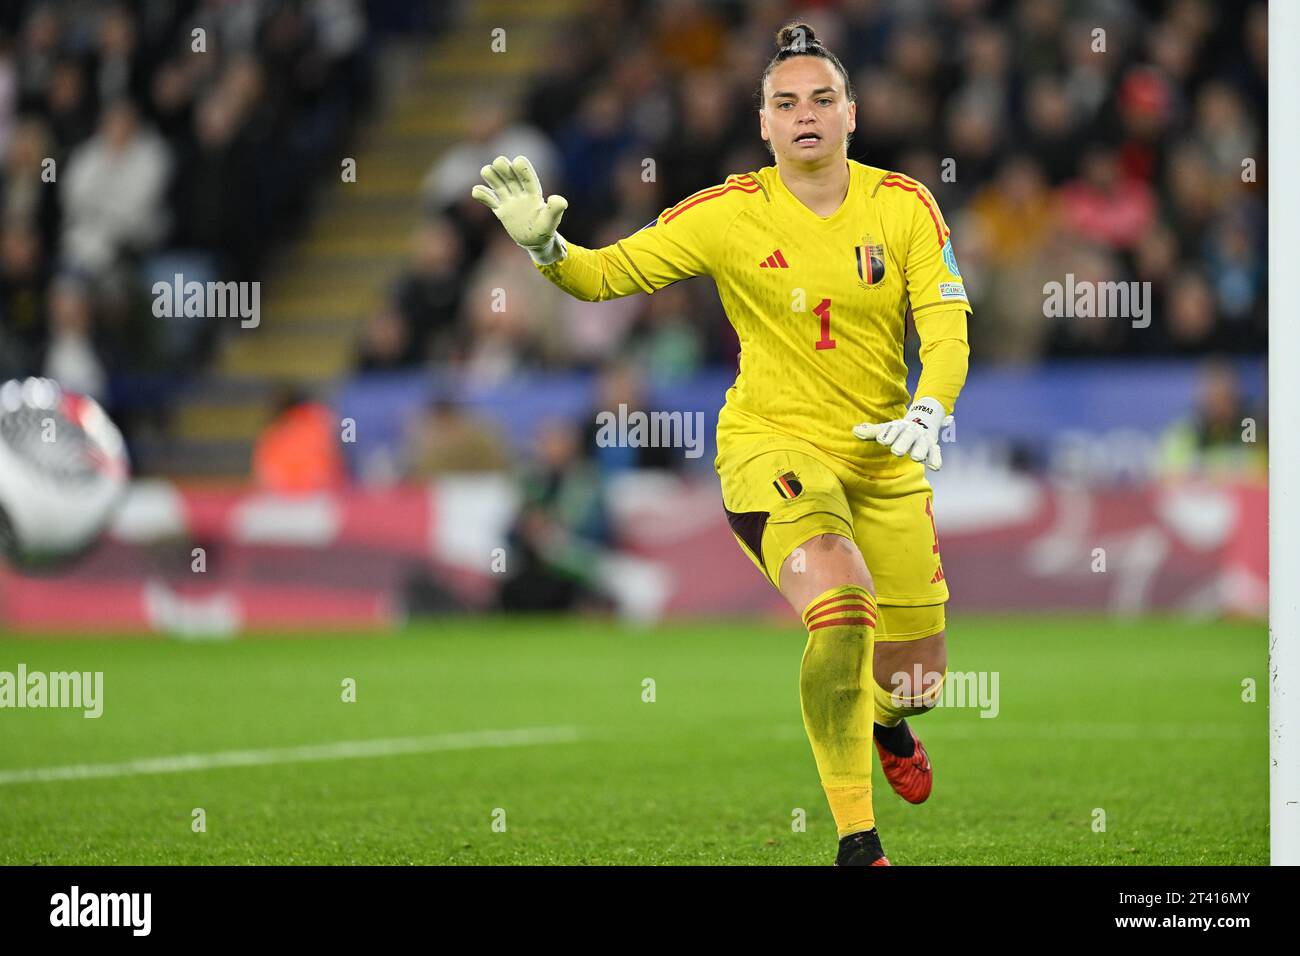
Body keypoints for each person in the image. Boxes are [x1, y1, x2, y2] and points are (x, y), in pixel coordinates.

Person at [471, 22, 971, 866]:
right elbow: (605, 277)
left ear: (852, 114)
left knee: (917, 681)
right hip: (772, 447)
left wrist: (930, 407)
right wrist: (545, 249)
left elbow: (947, 321)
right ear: (764, 122)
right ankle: (858, 842)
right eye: (786, 102)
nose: (804, 114)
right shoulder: (729, 213)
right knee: (842, 611)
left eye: (821, 99)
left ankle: (887, 724)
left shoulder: (904, 204)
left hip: (884, 457)